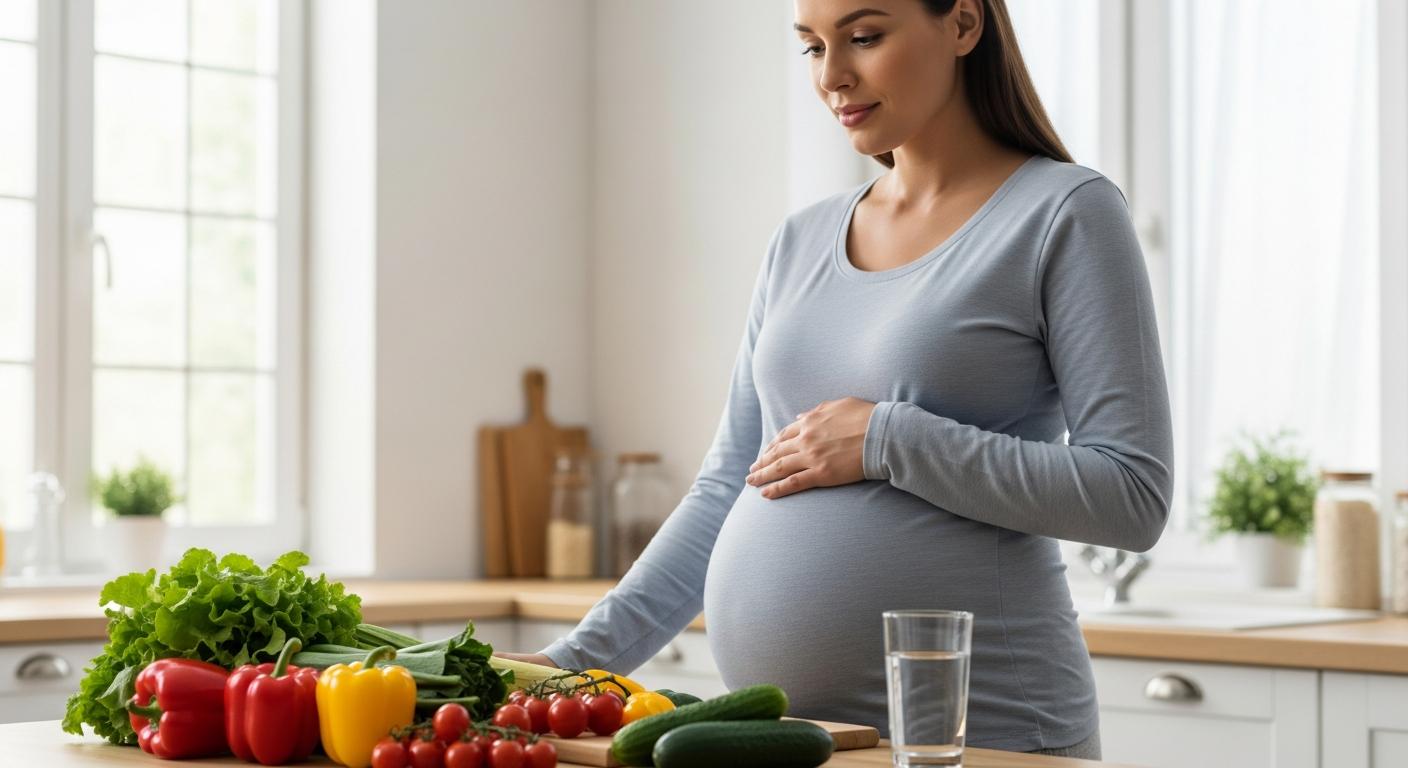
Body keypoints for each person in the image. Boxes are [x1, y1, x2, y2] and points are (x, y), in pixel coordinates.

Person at [495, 0, 1173, 759]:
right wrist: (575, 666)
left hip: (981, 736)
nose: (832, 76)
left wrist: (889, 439)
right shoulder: (802, 239)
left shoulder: (1064, 214)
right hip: (794, 741)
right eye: (812, 47)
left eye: (864, 36)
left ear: (963, 25)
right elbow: (728, 488)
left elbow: (1132, 495)